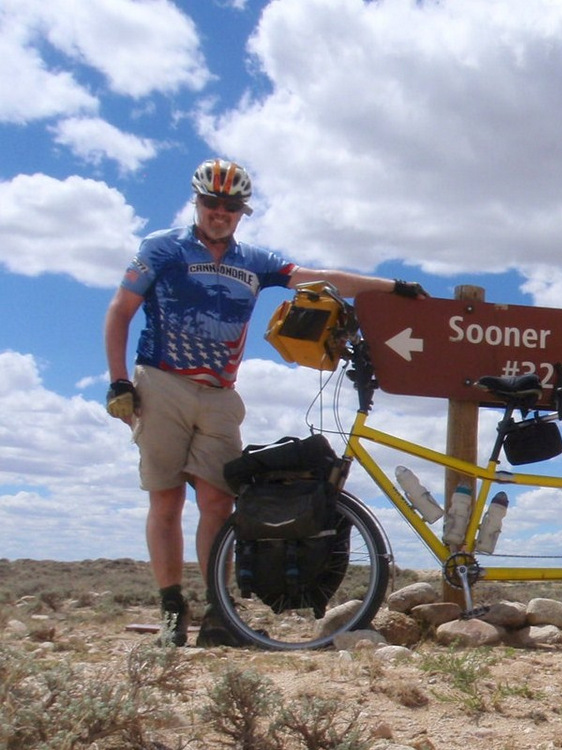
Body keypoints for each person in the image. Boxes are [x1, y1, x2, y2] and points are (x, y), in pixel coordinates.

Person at [104, 158, 427, 647]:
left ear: (241, 211)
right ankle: (172, 610)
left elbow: (317, 277)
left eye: (231, 206)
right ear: (197, 201)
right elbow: (120, 311)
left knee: (218, 500)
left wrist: (391, 287)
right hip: (162, 382)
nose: (220, 212)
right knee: (165, 499)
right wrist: (119, 381)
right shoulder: (161, 248)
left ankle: (218, 615)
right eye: (212, 202)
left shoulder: (253, 260)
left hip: (219, 393)